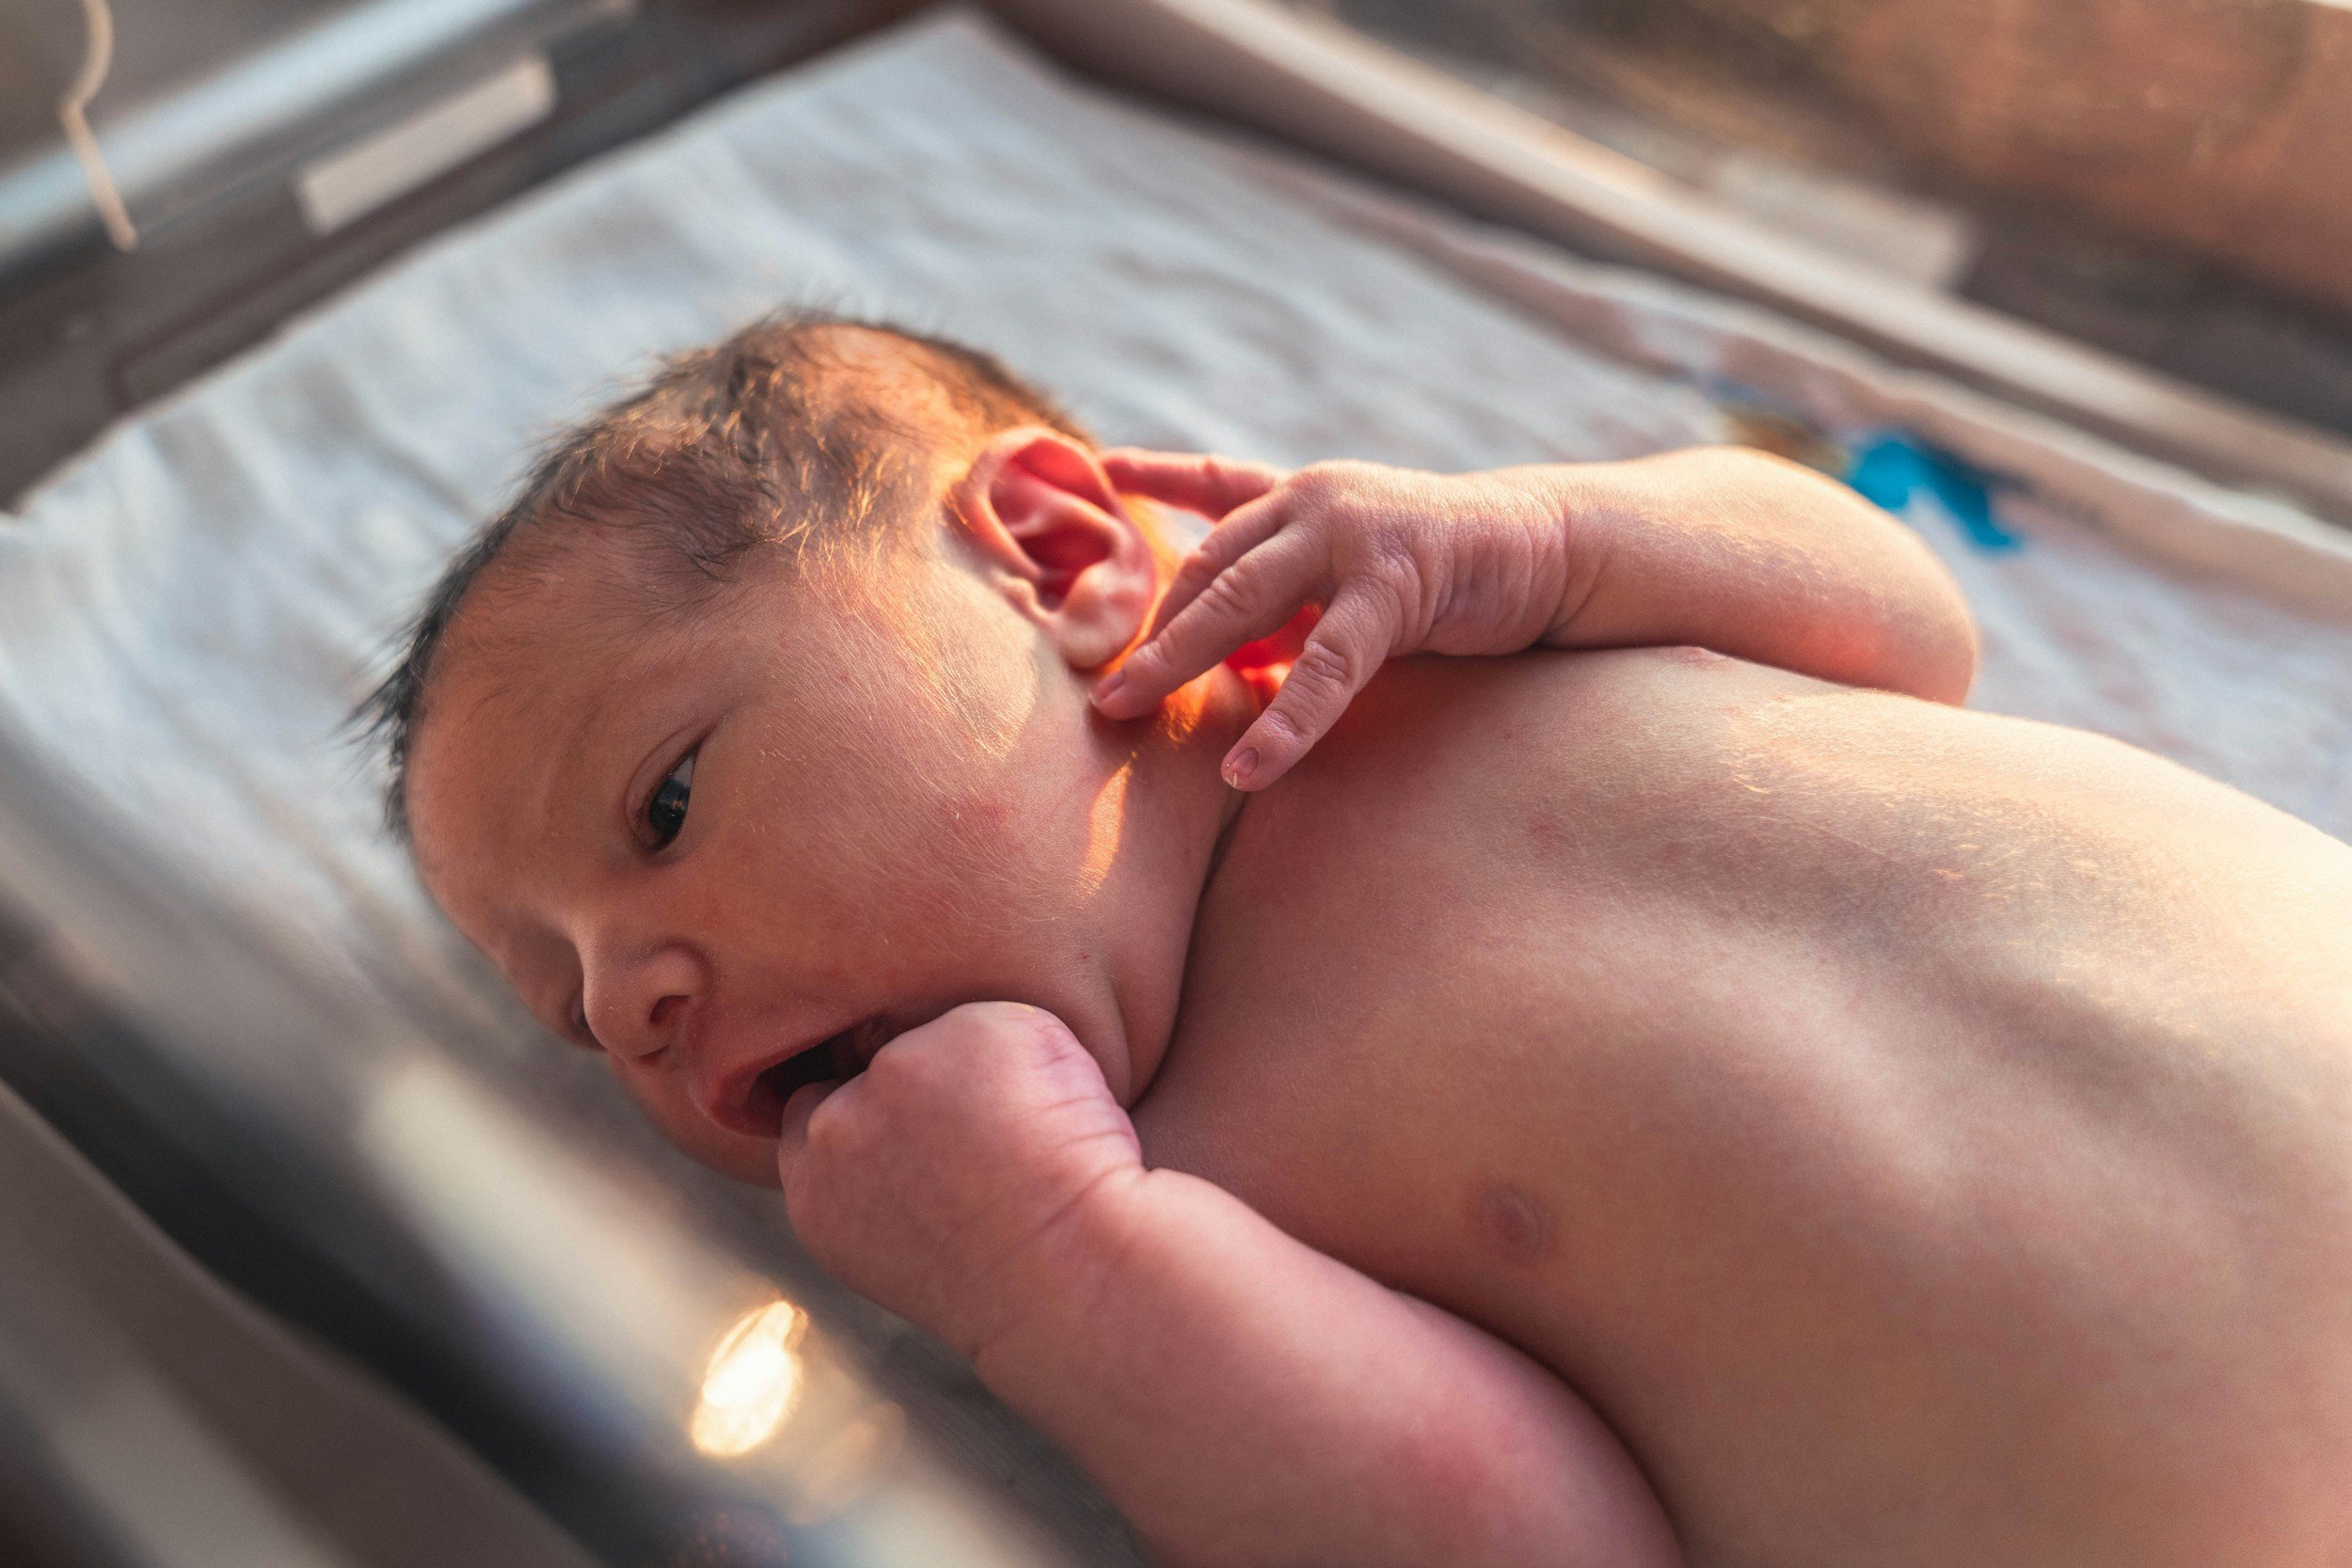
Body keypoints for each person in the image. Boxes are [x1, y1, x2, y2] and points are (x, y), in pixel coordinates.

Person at [374, 315, 2352, 1568]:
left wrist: (1557, 536)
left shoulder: (1438, 634)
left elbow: (1900, 630)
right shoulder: (1178, 1202)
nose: (628, 1001)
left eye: (659, 811)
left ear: (1058, 565)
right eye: (565, 1007)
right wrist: (1060, 1276)